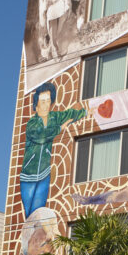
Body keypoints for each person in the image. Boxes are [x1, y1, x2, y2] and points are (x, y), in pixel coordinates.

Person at [21, 82, 86, 217]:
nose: (45, 105)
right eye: (42, 101)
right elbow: (42, 136)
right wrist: (61, 128)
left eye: (48, 101)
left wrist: (85, 112)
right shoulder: (31, 124)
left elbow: (69, 114)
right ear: (36, 103)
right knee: (28, 214)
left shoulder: (54, 117)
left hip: (44, 174)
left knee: (37, 214)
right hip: (28, 177)